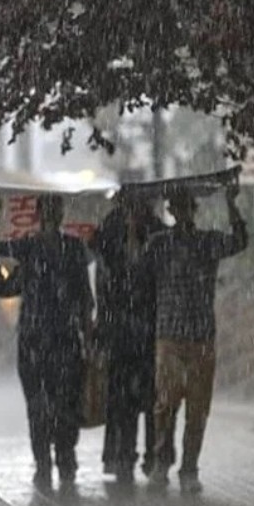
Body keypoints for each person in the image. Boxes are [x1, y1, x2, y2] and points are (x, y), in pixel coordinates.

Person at [0, 194, 94, 491]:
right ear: (40, 214)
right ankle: (43, 462)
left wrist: (88, 331)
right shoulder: (28, 247)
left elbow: (84, 296)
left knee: (66, 403)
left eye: (56, 210)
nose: (52, 215)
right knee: (38, 405)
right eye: (47, 210)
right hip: (34, 339)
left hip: (65, 338)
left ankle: (65, 458)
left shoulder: (72, 249)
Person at [144, 184, 247, 494]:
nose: (182, 212)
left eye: (186, 206)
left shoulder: (207, 242)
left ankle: (189, 467)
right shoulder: (159, 244)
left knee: (197, 408)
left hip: (200, 334)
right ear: (172, 211)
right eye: (177, 207)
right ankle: (162, 461)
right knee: (166, 402)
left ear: (192, 209)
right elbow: (137, 270)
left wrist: (232, 205)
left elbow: (240, 241)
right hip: (170, 335)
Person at [91, 192, 172, 483]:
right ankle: (122, 456)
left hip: (150, 329)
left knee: (152, 399)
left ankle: (154, 456)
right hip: (121, 331)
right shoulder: (110, 230)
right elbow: (104, 275)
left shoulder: (157, 232)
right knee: (122, 399)